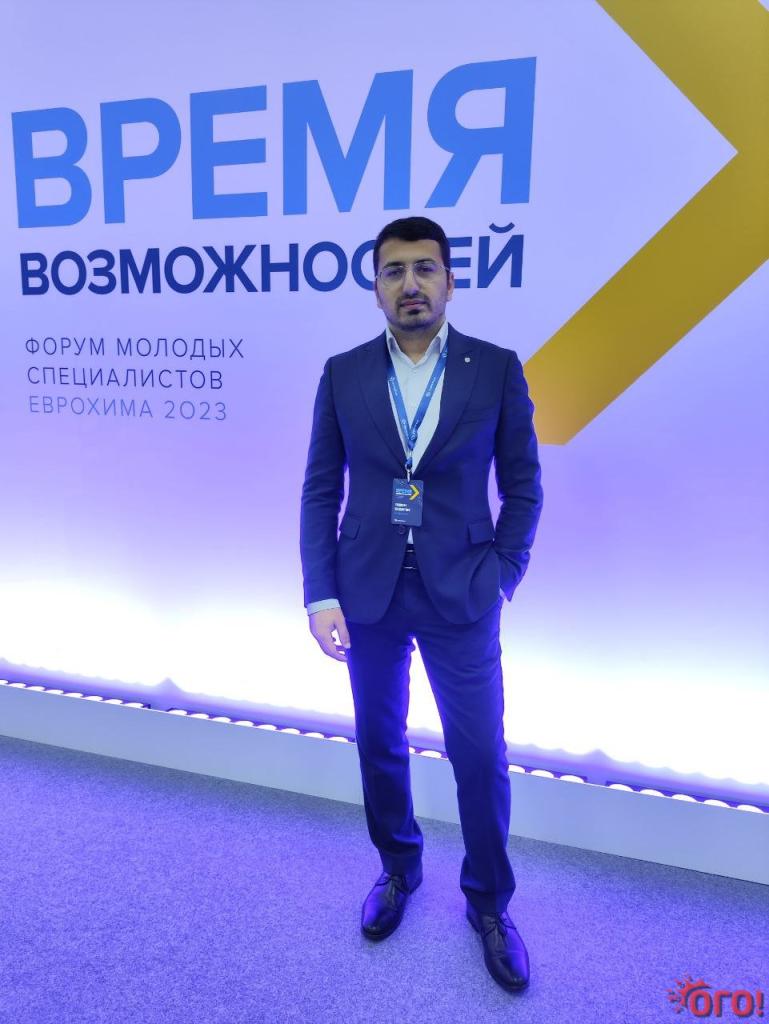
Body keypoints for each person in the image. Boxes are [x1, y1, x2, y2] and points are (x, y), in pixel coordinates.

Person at [299, 216, 543, 993]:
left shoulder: (493, 368)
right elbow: (320, 488)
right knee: (378, 741)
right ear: (375, 287)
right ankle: (398, 869)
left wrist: (502, 573)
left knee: (478, 755)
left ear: (449, 281)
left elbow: (523, 484)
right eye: (394, 271)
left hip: (461, 591)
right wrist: (320, 592)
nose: (410, 284)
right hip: (365, 589)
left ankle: (489, 903)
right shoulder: (342, 373)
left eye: (425, 269)